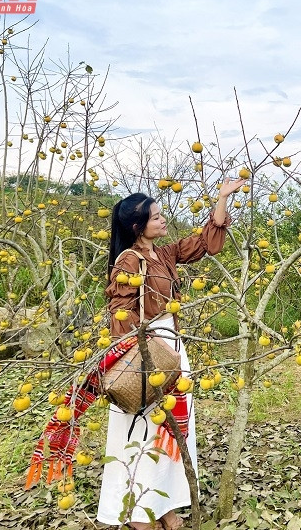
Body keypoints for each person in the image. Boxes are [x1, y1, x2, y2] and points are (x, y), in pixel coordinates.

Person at [97, 178, 244, 530]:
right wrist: (141, 358)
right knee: (144, 431)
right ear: (138, 227)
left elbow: (207, 243)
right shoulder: (128, 262)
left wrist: (223, 197)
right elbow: (120, 314)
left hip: (171, 347)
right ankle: (137, 510)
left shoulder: (163, 253)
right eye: (157, 217)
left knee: (173, 427)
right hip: (147, 354)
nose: (164, 220)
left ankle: (163, 504)